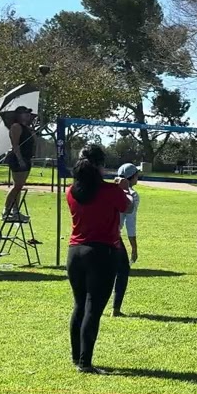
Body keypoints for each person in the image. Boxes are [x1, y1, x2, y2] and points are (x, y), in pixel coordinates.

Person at [66, 144, 130, 374]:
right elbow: (128, 207)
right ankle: (85, 363)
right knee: (93, 309)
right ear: (100, 166)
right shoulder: (110, 191)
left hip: (75, 252)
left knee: (79, 305)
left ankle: (76, 358)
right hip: (101, 253)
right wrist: (123, 188)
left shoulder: (71, 191)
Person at [111, 163, 141, 317]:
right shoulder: (132, 195)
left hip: (93, 233)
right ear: (132, 177)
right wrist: (134, 248)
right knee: (122, 269)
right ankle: (115, 309)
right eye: (137, 174)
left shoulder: (109, 189)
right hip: (112, 235)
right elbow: (131, 223)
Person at [4, 106, 37, 222]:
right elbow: (15, 145)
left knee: (19, 186)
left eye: (28, 113)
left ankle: (15, 211)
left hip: (26, 159)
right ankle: (6, 210)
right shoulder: (16, 126)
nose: (27, 115)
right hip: (18, 159)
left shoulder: (27, 128)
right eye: (24, 113)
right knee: (17, 186)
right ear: (18, 115)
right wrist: (20, 159)